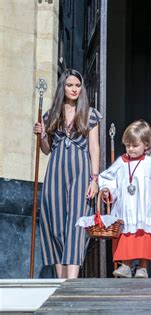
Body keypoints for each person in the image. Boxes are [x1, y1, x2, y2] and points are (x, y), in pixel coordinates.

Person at [33, 69, 101, 279]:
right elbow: (46, 149)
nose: (74, 89)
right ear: (63, 87)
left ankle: (71, 280)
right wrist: (42, 134)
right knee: (55, 223)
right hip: (56, 171)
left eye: (77, 85)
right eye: (70, 85)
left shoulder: (90, 113)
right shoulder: (51, 114)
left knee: (77, 222)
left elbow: (94, 148)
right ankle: (61, 280)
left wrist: (95, 178)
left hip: (80, 172)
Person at [98, 120, 151, 278]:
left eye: (135, 145)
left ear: (146, 145)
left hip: (144, 207)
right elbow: (107, 178)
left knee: (143, 235)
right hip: (126, 206)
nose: (130, 149)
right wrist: (107, 190)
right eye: (127, 145)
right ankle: (125, 265)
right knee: (126, 236)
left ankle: (143, 268)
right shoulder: (121, 162)